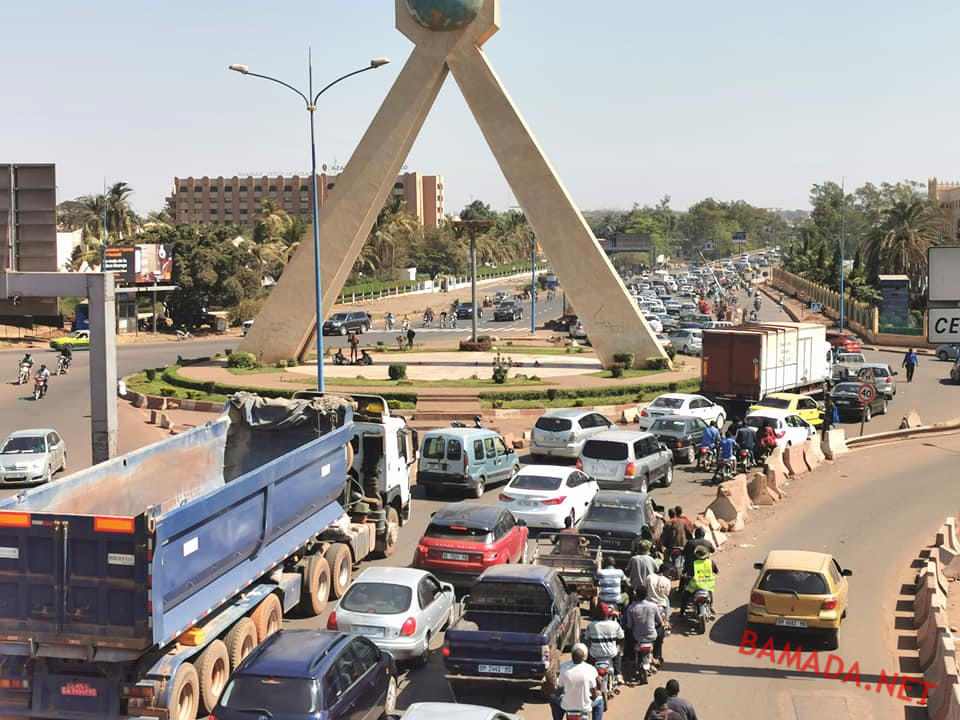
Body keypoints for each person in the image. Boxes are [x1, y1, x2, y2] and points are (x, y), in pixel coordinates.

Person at [550, 644, 603, 720]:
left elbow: (559, 690)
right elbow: (594, 694)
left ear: (571, 656)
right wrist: (596, 694)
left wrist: (556, 692)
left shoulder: (564, 667)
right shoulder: (590, 669)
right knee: (600, 700)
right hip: (585, 707)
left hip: (567, 706)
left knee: (552, 698)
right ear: (583, 657)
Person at [625, 586, 664, 670]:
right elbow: (660, 621)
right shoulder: (653, 606)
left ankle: (630, 657)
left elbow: (629, 625)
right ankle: (657, 656)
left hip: (637, 637)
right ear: (646, 595)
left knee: (627, 634)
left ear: (636, 595)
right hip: (652, 636)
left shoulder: (631, 608)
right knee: (661, 632)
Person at [585, 605, 624, 682]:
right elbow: (621, 637)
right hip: (611, 653)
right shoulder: (615, 624)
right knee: (617, 655)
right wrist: (619, 647)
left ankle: (588, 678)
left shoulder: (591, 625)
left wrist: (591, 646)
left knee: (588, 666)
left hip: (595, 654)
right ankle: (618, 674)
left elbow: (587, 639)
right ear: (607, 614)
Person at [680, 545, 718, 617]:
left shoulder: (693, 563)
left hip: (695, 586)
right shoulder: (711, 562)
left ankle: (682, 612)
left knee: (685, 596)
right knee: (710, 593)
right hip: (708, 585)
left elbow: (688, 573)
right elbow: (716, 571)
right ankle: (710, 607)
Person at [644, 563, 672, 634]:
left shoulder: (649, 577)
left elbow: (645, 588)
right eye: (669, 571)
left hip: (649, 602)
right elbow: (667, 594)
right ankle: (667, 620)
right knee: (667, 599)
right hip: (661, 604)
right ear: (666, 571)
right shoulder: (667, 581)